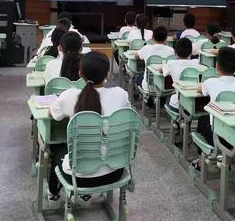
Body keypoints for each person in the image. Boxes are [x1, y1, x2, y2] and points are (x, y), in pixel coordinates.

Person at [48, 52, 129, 203]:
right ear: (108, 73)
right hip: (114, 171)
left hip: (78, 177)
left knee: (58, 149)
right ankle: (85, 196)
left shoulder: (70, 95)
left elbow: (52, 114)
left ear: (80, 73)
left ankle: (53, 194)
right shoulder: (120, 95)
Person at [196, 47, 235, 145]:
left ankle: (203, 155)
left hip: (217, 133)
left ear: (216, 66)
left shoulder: (210, 82)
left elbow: (199, 90)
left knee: (202, 120)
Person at [162, 38, 199, 112]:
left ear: (175, 52)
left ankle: (177, 122)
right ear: (191, 52)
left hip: (179, 104)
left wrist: (163, 66)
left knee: (167, 99)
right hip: (195, 104)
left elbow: (164, 73)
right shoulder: (197, 62)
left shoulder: (171, 63)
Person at [136, 26, 174, 91]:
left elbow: (136, 56)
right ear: (166, 38)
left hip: (149, 86)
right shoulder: (171, 50)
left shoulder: (146, 48)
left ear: (152, 37)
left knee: (138, 77)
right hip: (165, 86)